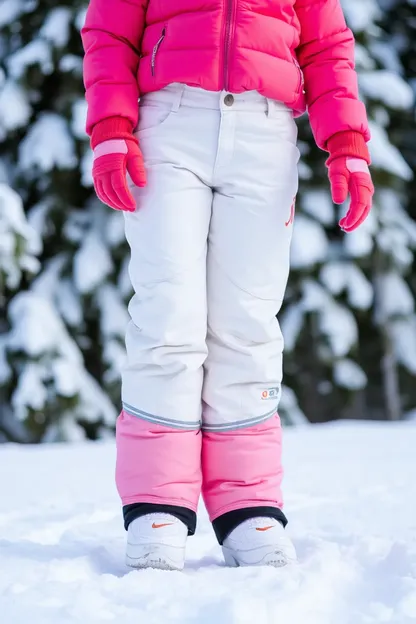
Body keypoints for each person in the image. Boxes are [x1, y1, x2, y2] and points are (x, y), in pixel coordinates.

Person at [81, 0, 374, 570]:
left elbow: (326, 45)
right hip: (168, 121)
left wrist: (347, 142)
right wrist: (111, 127)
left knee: (247, 322)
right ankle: (157, 505)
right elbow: (108, 30)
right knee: (169, 316)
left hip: (266, 134)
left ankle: (250, 503)